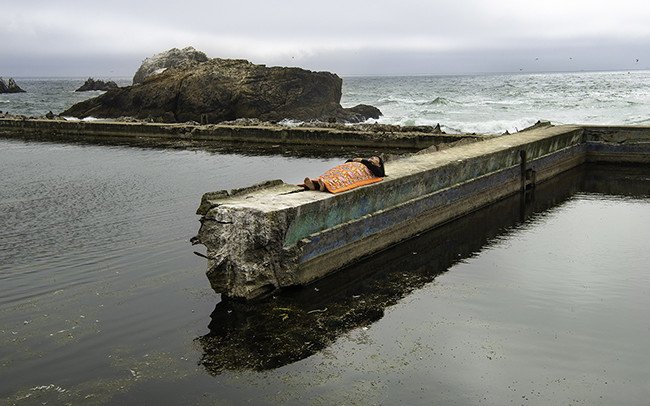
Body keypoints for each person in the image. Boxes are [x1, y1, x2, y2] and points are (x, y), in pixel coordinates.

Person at [302, 156, 385, 193]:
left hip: (356, 172)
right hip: (346, 169)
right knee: (334, 173)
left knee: (342, 178)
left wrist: (364, 161)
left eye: (375, 159)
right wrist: (353, 161)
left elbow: (380, 173)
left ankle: (324, 186)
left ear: (379, 164)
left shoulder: (375, 169)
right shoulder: (362, 162)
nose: (372, 158)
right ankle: (314, 185)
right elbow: (346, 164)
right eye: (372, 157)